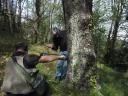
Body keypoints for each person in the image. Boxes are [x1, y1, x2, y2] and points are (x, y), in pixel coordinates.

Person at [1, 42, 66, 96]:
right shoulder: (26, 58)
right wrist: (60, 57)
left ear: (15, 49)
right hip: (23, 93)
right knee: (44, 82)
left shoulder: (10, 59)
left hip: (8, 91)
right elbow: (46, 58)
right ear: (26, 50)